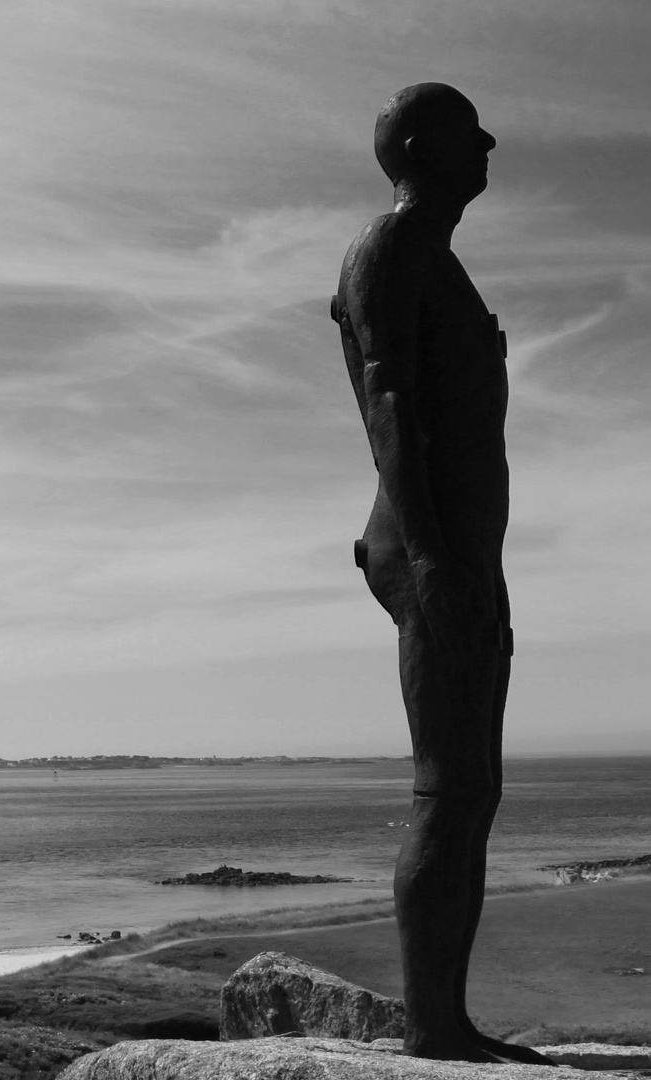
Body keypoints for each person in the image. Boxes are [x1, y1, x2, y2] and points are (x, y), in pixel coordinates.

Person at [332, 83, 546, 1064]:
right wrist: (429, 557)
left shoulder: (436, 259)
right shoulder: (390, 248)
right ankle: (433, 1028)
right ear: (422, 147)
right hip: (431, 552)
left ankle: (447, 1018)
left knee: (473, 791)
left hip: (460, 551)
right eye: (468, 131)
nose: (489, 141)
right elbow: (388, 408)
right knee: (446, 791)